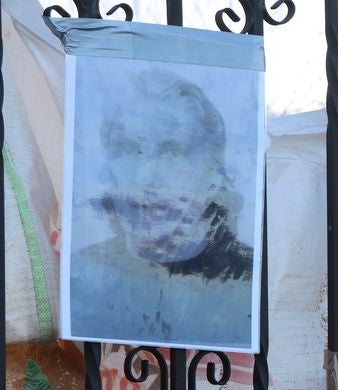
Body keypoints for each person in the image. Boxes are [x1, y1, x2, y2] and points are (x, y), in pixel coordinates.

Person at [66, 68, 257, 351]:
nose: (144, 177)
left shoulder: (250, 282)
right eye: (128, 149)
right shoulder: (81, 275)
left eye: (172, 151)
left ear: (214, 175)